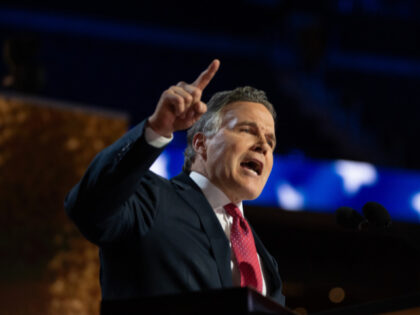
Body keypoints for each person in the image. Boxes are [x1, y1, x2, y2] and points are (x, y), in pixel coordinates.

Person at [64, 59, 285, 306]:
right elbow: (86, 206)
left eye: (270, 141)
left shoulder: (263, 258)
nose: (263, 146)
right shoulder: (151, 200)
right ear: (201, 144)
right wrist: (156, 129)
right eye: (247, 130)